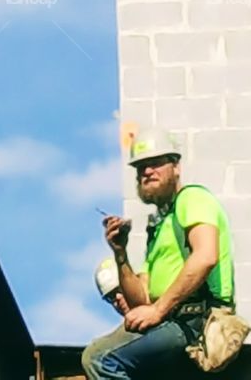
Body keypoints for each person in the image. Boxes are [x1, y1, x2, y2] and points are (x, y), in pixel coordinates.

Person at [82, 128, 236, 379]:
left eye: (155, 163)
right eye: (141, 167)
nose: (147, 172)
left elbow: (206, 256)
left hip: (198, 320)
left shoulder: (192, 198)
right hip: (173, 321)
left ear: (176, 166)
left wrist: (158, 310)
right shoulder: (160, 226)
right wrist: (120, 254)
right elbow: (140, 301)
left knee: (100, 358)